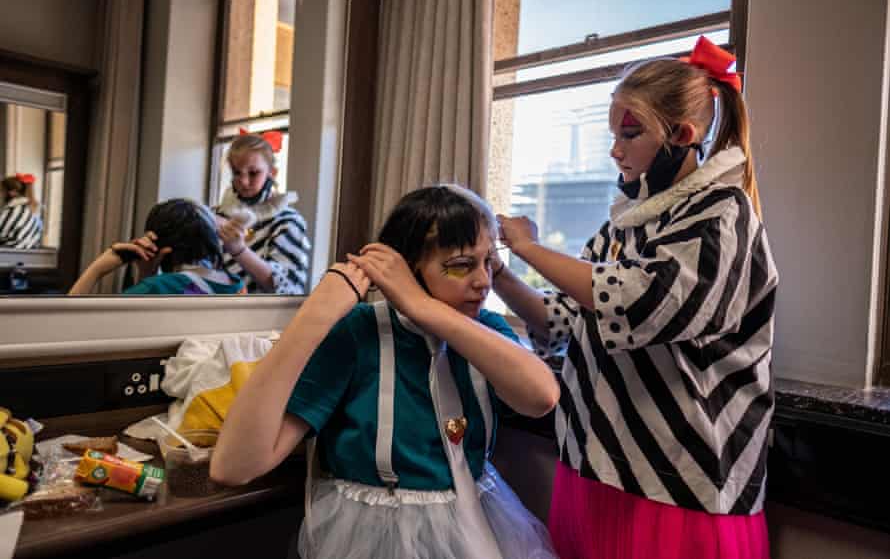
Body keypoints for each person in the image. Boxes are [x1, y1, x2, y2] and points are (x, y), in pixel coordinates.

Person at [493, 36, 779, 559]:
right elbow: (564, 321)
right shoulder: (621, 227)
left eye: (631, 133)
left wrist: (530, 249)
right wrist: (502, 278)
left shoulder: (722, 215)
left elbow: (640, 303)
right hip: (597, 462)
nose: (615, 149)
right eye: (613, 134)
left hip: (676, 478)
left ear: (682, 135)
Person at [211, 185, 560, 559]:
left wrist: (420, 304)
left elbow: (541, 396)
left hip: (479, 522)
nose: (483, 281)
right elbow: (234, 466)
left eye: (487, 261)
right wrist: (313, 318)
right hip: (373, 536)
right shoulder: (359, 333)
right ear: (407, 270)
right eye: (461, 265)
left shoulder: (486, 331)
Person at [69, 198, 244, 295]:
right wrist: (146, 274)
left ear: (161, 249)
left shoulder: (155, 288)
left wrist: (97, 269)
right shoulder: (236, 286)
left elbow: (66, 326)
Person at [215, 132, 311, 294]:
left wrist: (240, 251)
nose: (244, 182)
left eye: (253, 173)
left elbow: (288, 289)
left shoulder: (287, 221)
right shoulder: (217, 215)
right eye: (237, 173)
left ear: (272, 173)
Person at [0, 174, 42, 248]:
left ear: (12, 192)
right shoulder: (30, 209)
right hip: (29, 256)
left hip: (8, 254)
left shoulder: (13, 210)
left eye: (1, 191)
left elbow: (2, 233)